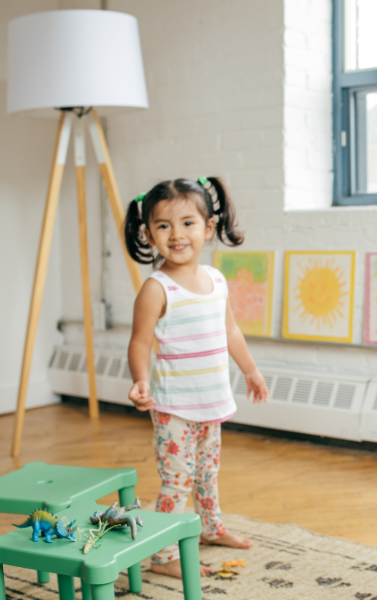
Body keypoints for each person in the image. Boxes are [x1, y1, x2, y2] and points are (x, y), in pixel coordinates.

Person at [123, 177, 269, 578]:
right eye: (164, 226)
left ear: (208, 228)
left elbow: (231, 332)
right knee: (177, 482)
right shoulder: (156, 288)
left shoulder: (216, 280)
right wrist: (140, 380)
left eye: (188, 223)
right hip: (174, 409)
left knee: (207, 474)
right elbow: (139, 342)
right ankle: (165, 554)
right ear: (148, 233)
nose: (177, 234)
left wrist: (251, 370)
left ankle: (210, 528)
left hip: (211, 404)